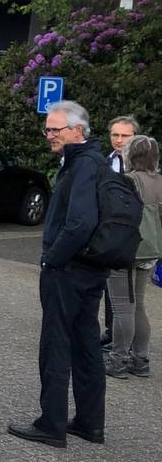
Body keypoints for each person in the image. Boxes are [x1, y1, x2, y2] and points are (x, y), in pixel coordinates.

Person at [8, 100, 109, 448]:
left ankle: (51, 424)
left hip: (68, 270)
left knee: (56, 344)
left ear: (77, 131)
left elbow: (80, 222)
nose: (48, 135)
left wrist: (53, 258)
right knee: (85, 344)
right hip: (91, 268)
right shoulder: (96, 162)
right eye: (47, 129)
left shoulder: (82, 165)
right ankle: (90, 422)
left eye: (55, 130)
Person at [105, 135, 160, 379]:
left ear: (131, 155)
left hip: (126, 251)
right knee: (138, 305)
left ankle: (118, 361)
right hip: (151, 250)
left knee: (122, 308)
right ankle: (141, 360)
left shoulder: (127, 181)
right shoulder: (159, 181)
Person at [101, 115, 138, 347]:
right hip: (108, 232)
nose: (119, 140)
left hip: (132, 235)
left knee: (130, 293)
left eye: (125, 135)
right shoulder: (106, 161)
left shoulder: (144, 165)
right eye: (115, 134)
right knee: (109, 286)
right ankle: (111, 331)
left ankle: (126, 340)